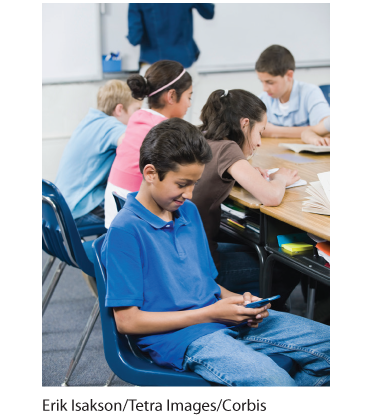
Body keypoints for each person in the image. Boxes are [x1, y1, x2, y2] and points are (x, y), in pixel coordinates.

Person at [102, 118, 330, 386]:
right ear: (150, 173)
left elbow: (207, 283)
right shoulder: (125, 231)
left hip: (220, 319)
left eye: (194, 184)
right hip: (181, 337)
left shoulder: (186, 211)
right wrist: (211, 314)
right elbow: (128, 322)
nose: (189, 194)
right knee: (275, 384)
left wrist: (240, 302)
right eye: (181, 184)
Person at [191, 89, 302, 306]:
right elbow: (271, 197)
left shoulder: (204, 139)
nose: (259, 142)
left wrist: (249, 171)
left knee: (249, 248)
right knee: (288, 266)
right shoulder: (228, 148)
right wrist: (279, 178)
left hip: (189, 257)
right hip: (202, 270)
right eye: (260, 132)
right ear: (244, 124)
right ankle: (270, 315)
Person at [104, 60, 192, 228]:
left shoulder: (138, 117)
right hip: (139, 219)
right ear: (171, 96)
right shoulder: (166, 130)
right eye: (189, 96)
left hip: (115, 210)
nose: (189, 104)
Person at [55, 80, 142, 227]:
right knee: (139, 214)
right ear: (119, 109)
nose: (139, 117)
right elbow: (133, 144)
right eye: (136, 111)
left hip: (61, 206)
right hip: (81, 207)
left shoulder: (90, 121)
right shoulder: (110, 125)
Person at [127, 3, 214, 122]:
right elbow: (209, 12)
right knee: (184, 121)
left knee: (148, 121)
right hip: (183, 65)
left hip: (153, 68)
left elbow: (134, 37)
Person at [255, 45, 330, 138]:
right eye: (261, 81)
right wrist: (313, 131)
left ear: (289, 75)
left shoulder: (310, 93)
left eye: (270, 82)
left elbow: (328, 130)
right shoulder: (263, 99)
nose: (264, 89)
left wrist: (273, 131)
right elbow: (253, 129)